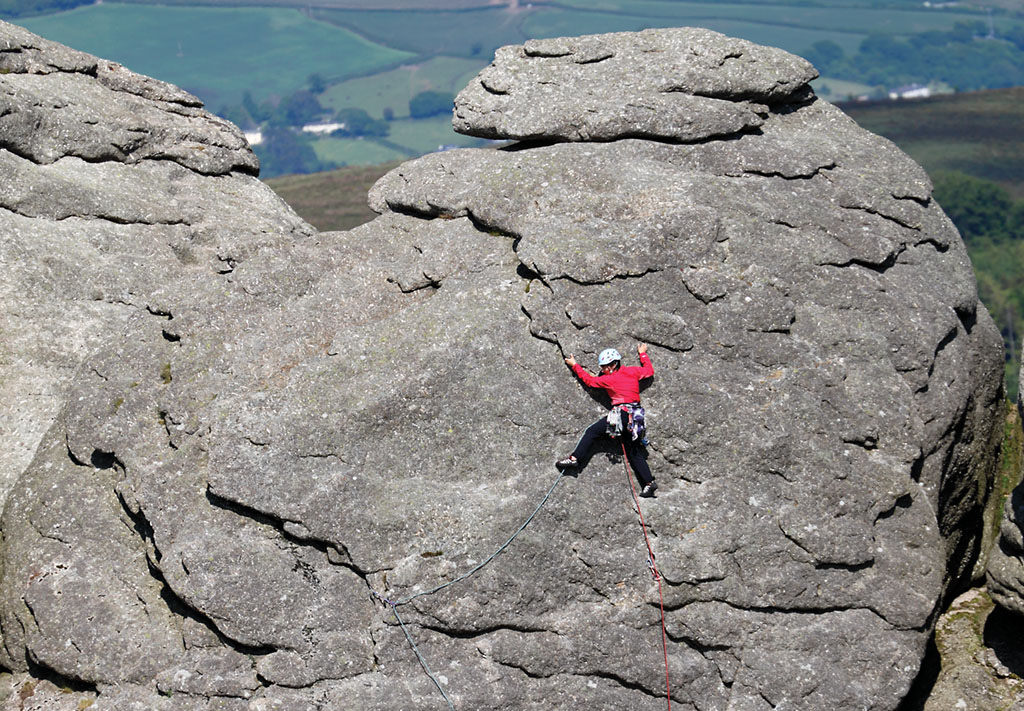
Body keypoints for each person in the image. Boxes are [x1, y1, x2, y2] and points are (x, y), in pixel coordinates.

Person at [557, 343, 658, 497]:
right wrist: (642, 354)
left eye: (604, 367)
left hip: (622, 415)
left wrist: (575, 365)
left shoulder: (609, 379)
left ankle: (574, 458)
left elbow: (589, 381)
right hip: (636, 417)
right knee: (633, 451)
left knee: (592, 432)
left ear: (613, 365)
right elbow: (649, 371)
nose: (602, 370)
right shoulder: (632, 371)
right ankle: (649, 483)